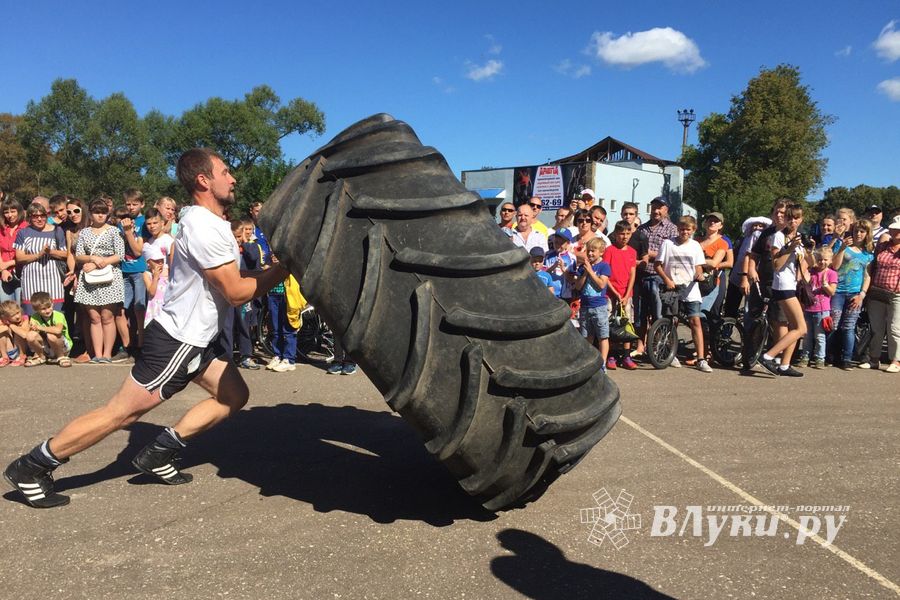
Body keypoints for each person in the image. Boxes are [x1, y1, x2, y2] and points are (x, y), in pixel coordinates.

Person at [3, 148, 289, 508]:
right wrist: (282, 271)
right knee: (121, 413)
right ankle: (32, 466)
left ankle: (161, 450)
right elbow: (235, 293)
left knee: (233, 396)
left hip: (199, 339)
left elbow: (230, 277)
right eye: (225, 171)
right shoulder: (203, 226)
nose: (233, 178)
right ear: (203, 180)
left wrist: (270, 272)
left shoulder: (207, 223)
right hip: (179, 341)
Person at [655, 216, 713, 373]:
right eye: (682, 229)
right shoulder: (668, 244)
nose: (684, 232)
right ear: (677, 229)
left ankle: (701, 359)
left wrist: (699, 275)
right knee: (671, 321)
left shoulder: (695, 246)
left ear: (693, 230)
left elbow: (698, 266)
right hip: (672, 288)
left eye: (688, 229)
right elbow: (658, 265)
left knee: (695, 321)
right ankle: (670, 353)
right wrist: (667, 280)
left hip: (690, 289)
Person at [758, 204, 808, 377]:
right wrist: (791, 247)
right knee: (801, 328)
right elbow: (777, 265)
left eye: (796, 217)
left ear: (802, 219)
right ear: (785, 219)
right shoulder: (778, 237)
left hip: (792, 285)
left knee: (793, 326)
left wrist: (808, 249)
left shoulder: (800, 237)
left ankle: (785, 365)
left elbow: (810, 264)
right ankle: (768, 356)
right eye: (789, 217)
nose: (793, 221)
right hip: (782, 285)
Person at [74, 199, 126, 364]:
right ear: (90, 213)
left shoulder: (114, 231)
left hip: (109, 275)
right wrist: (92, 258)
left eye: (103, 212)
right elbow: (79, 255)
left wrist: (103, 261)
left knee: (107, 316)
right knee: (94, 317)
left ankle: (107, 354)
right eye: (97, 212)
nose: (100, 215)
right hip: (90, 278)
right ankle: (97, 354)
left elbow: (120, 254)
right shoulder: (84, 232)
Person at [634, 197, 678, 356]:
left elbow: (671, 253)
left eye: (660, 208)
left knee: (659, 314)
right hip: (641, 276)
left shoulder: (672, 229)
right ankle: (641, 346)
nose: (656, 211)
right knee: (641, 314)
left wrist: (648, 254)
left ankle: (659, 347)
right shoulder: (642, 228)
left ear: (666, 210)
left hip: (661, 277)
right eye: (654, 207)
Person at [828, 219, 874, 368]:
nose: (858, 234)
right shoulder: (844, 247)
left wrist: (862, 294)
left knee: (849, 326)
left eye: (862, 231)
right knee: (834, 325)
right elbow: (835, 266)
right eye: (856, 231)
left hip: (854, 294)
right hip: (838, 292)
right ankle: (830, 355)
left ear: (867, 234)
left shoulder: (868, 254)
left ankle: (846, 358)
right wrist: (841, 248)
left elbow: (867, 276)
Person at [13, 202, 68, 315]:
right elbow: (19, 257)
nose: (39, 219)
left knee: (55, 313)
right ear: (29, 217)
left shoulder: (57, 231)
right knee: (32, 313)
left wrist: (50, 252)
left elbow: (65, 254)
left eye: (42, 216)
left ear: (46, 216)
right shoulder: (23, 232)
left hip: (53, 278)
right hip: (31, 278)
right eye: (35, 216)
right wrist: (38, 255)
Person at [861, 216, 900, 372]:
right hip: (877, 290)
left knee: (895, 328)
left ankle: (895, 360)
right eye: (893, 229)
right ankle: (874, 358)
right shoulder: (882, 246)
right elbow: (873, 265)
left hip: (897, 293)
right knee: (876, 327)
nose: (895, 231)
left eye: (898, 229)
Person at [603, 220, 638, 370]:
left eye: (628, 233)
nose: (624, 236)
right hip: (611, 293)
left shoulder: (632, 251)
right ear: (616, 234)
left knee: (626, 324)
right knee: (611, 325)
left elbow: (632, 274)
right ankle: (611, 355)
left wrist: (626, 294)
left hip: (626, 294)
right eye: (621, 233)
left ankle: (626, 356)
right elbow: (606, 273)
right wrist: (615, 293)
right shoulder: (609, 250)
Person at [117, 189, 148, 355]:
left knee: (139, 308)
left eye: (135, 204)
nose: (131, 207)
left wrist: (128, 231)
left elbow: (138, 251)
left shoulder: (145, 222)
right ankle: (127, 344)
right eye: (128, 204)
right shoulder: (121, 222)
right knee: (121, 309)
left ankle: (142, 345)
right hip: (124, 269)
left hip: (140, 269)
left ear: (142, 204)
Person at [574, 237, 611, 370]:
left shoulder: (604, 266)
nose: (590, 254)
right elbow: (578, 286)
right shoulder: (583, 267)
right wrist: (585, 272)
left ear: (601, 252)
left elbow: (601, 285)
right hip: (585, 306)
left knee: (602, 336)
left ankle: (602, 363)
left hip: (599, 306)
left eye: (593, 251)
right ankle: (588, 362)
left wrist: (591, 271)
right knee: (586, 336)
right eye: (588, 251)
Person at [799, 247, 837, 369]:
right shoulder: (812, 271)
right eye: (820, 259)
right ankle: (805, 356)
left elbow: (832, 292)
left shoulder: (832, 273)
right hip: (809, 308)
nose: (822, 262)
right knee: (807, 335)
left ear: (830, 260)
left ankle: (820, 358)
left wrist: (825, 285)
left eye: (825, 259)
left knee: (820, 336)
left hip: (822, 309)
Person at [696, 212, 733, 317]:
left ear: (721, 225)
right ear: (705, 223)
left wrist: (712, 265)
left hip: (715, 278)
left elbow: (729, 263)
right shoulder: (696, 240)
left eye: (716, 221)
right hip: (696, 278)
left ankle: (713, 332)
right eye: (710, 220)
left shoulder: (725, 241)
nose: (712, 222)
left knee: (713, 311)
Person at [24, 291, 73, 367]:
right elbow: (33, 334)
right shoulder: (34, 317)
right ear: (36, 309)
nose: (47, 310)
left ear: (52, 303)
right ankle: (41, 356)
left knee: (52, 335)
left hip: (62, 346)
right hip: (47, 346)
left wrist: (39, 327)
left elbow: (58, 330)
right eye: (43, 309)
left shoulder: (58, 315)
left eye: (49, 307)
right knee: (30, 335)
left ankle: (61, 356)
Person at [1, 197, 27, 304]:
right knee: (6, 309)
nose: (10, 215)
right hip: (3, 273)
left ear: (19, 211)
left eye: (13, 211)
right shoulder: (1, 228)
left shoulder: (27, 228)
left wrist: (8, 264)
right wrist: (3, 269)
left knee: (21, 307)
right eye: (6, 212)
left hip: (22, 272)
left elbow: (29, 253)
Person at [142, 244, 167, 326]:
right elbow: (151, 293)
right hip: (155, 308)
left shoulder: (167, 271)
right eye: (156, 261)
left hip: (167, 306)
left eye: (161, 260)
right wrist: (155, 277)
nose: (160, 263)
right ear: (148, 262)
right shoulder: (147, 274)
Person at [0, 300, 29, 366]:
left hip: (22, 349)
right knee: (2, 333)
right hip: (10, 349)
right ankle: (5, 357)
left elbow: (24, 335)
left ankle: (21, 356)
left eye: (18, 312)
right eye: (13, 315)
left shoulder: (24, 318)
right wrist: (5, 328)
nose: (17, 316)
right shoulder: (3, 321)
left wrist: (11, 325)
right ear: (5, 317)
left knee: (18, 332)